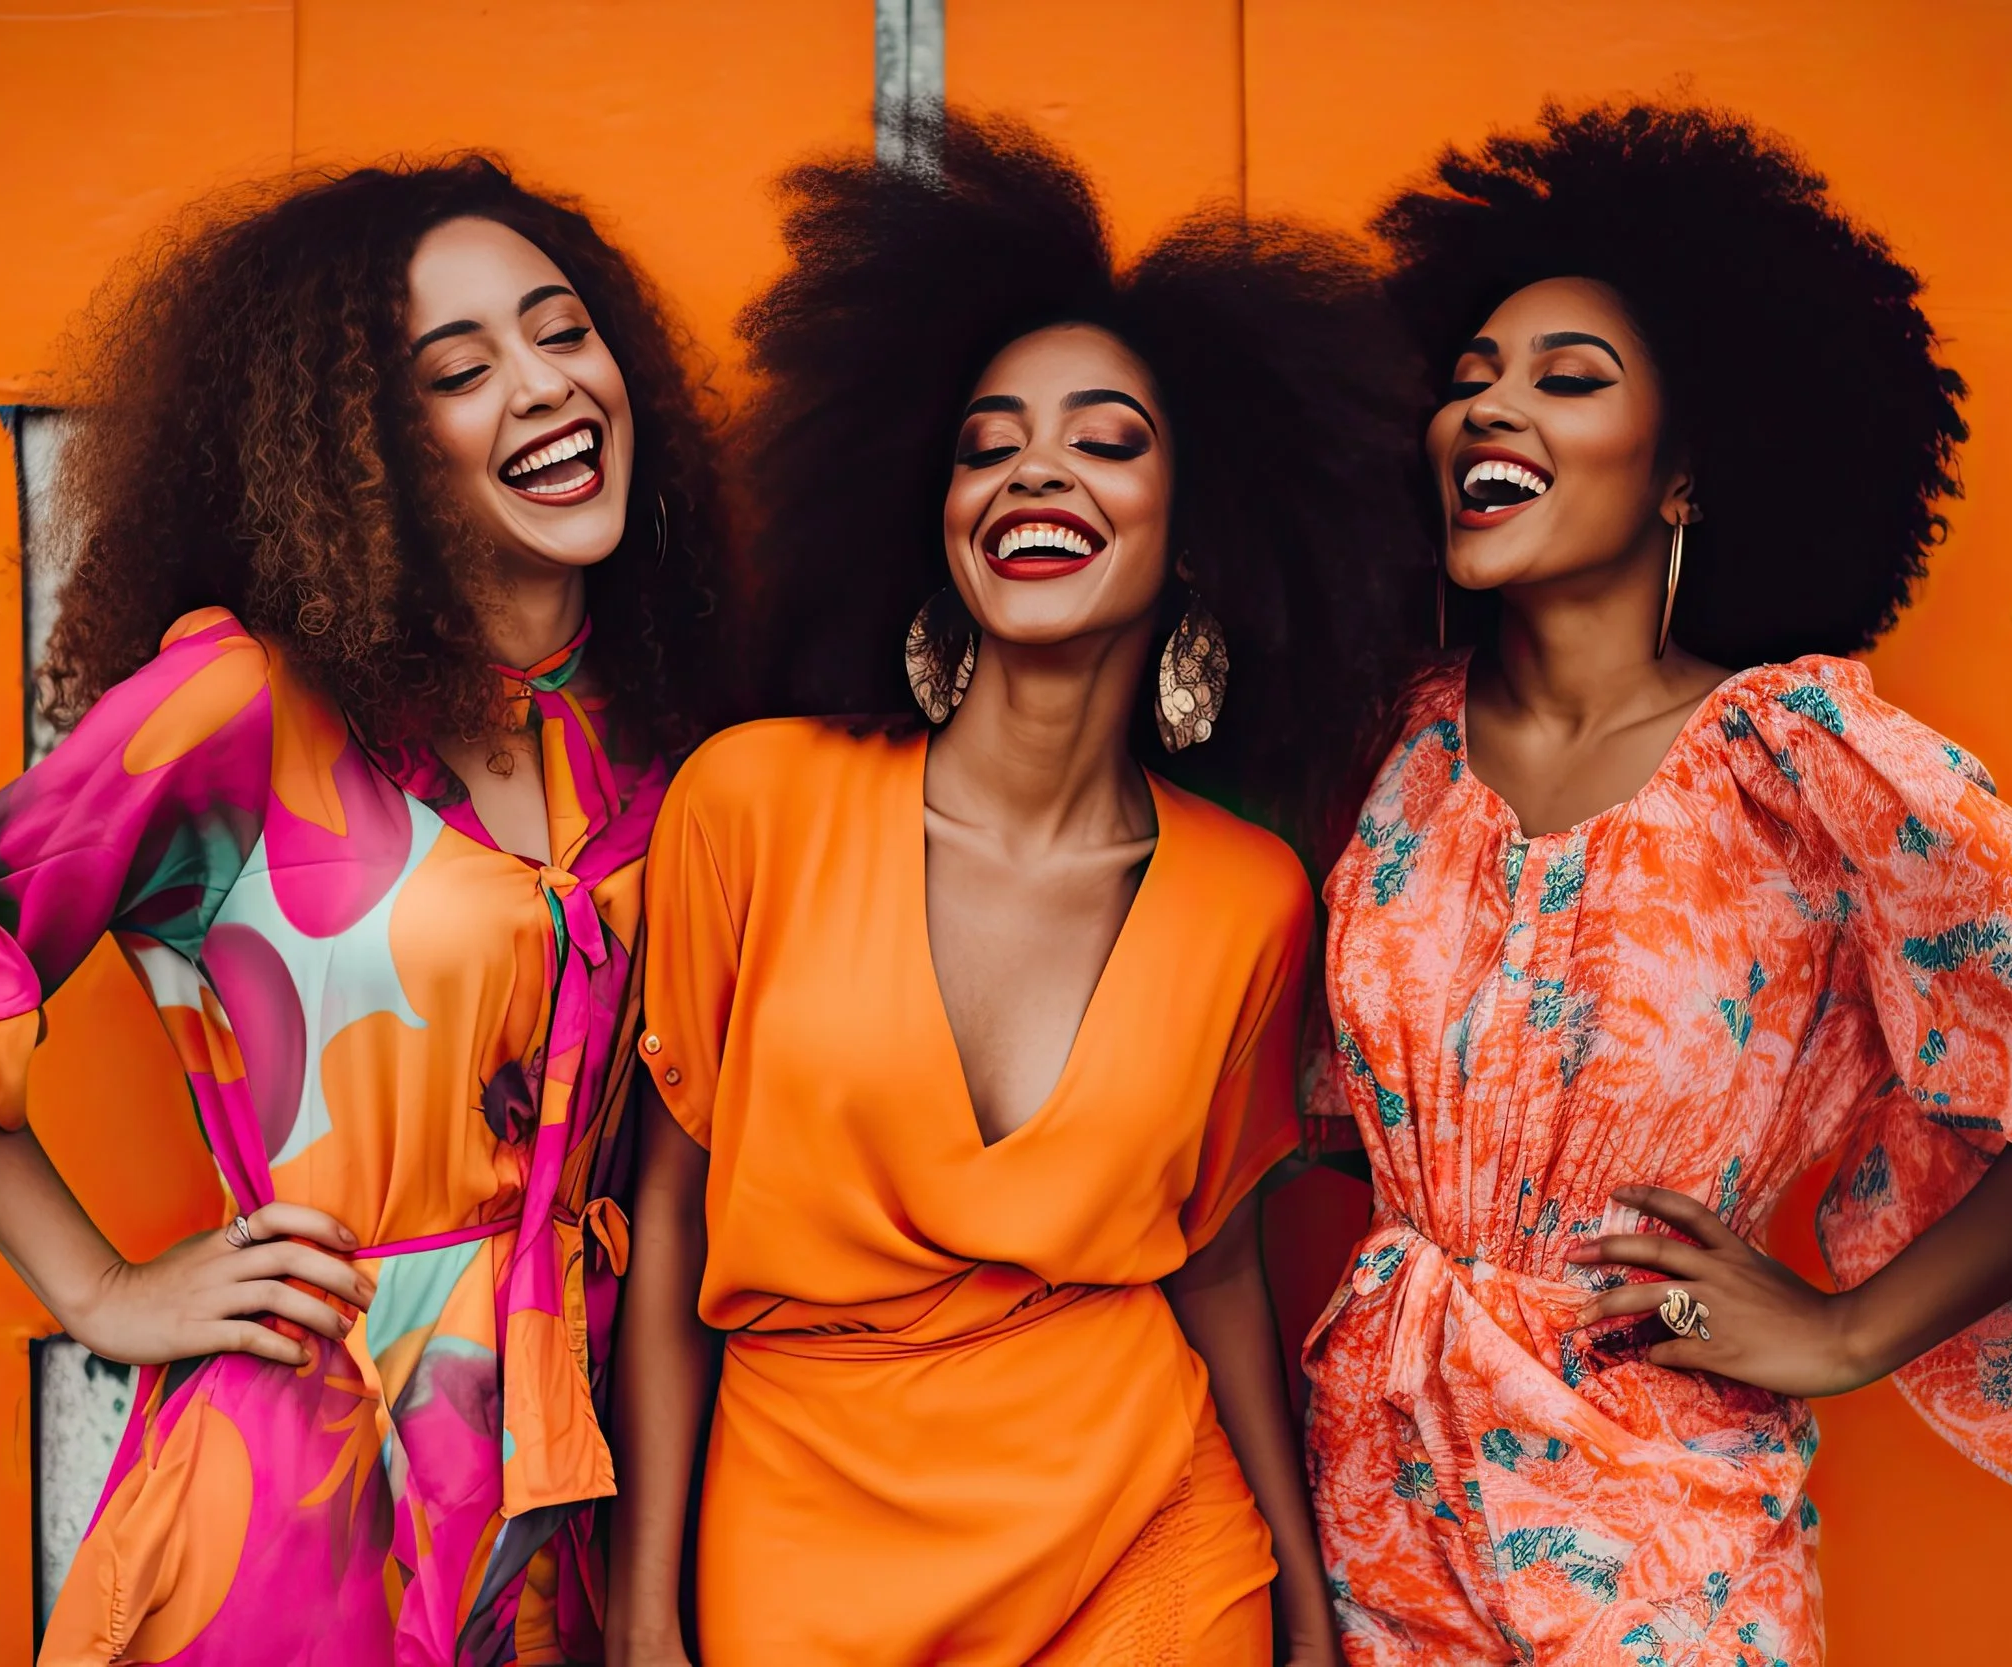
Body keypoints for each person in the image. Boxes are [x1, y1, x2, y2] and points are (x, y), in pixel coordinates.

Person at [1301, 101, 2012, 1665]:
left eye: (1568, 377)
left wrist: (1841, 1328)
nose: (1492, 410)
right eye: (1468, 380)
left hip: (1660, 1528)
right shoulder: (1383, 751)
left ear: (1684, 473)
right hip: (1377, 1490)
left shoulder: (1794, 755)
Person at [0, 157, 726, 1665]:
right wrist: (103, 1288)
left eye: (563, 332)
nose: (546, 388)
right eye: (460, 368)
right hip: (301, 1500)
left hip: (577, 1504)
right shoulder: (240, 707)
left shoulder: (665, 738)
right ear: (365, 445)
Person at [605, 110, 1426, 1666]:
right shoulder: (752, 800)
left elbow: (1217, 1263)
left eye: (1107, 439)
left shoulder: (1250, 898)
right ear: (932, 513)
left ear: (1201, 532)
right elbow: (670, 1217)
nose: (1035, 467)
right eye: (989, 443)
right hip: (801, 1528)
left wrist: (1310, 1608)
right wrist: (648, 1618)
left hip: (1146, 1538)